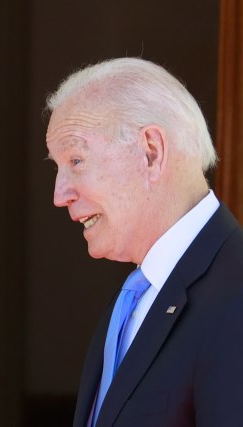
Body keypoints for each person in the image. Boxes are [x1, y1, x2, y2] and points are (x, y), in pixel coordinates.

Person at [45, 57, 243, 426]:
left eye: (76, 160)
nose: (60, 195)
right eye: (58, 166)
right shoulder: (135, 296)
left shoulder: (235, 294)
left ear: (151, 151)